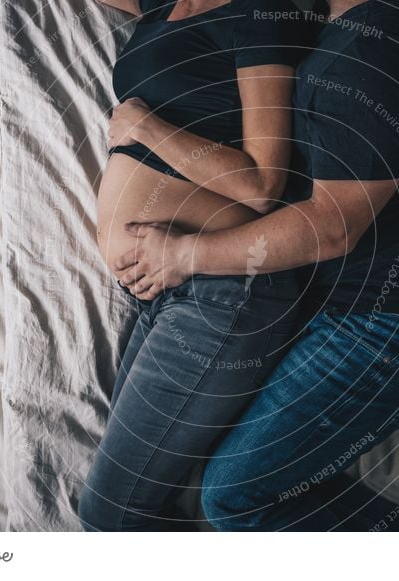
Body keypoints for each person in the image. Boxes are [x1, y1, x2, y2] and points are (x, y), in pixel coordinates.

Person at [112, 0, 399, 531]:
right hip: (332, 310)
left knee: (234, 497)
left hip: (391, 329)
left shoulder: (375, 47)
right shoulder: (348, 26)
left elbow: (331, 225)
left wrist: (184, 255)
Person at [78, 0, 310, 531]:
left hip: (223, 289)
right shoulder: (161, 7)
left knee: (109, 518)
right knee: (138, 509)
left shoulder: (257, 14)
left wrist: (143, 126)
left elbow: (261, 185)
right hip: (168, 294)